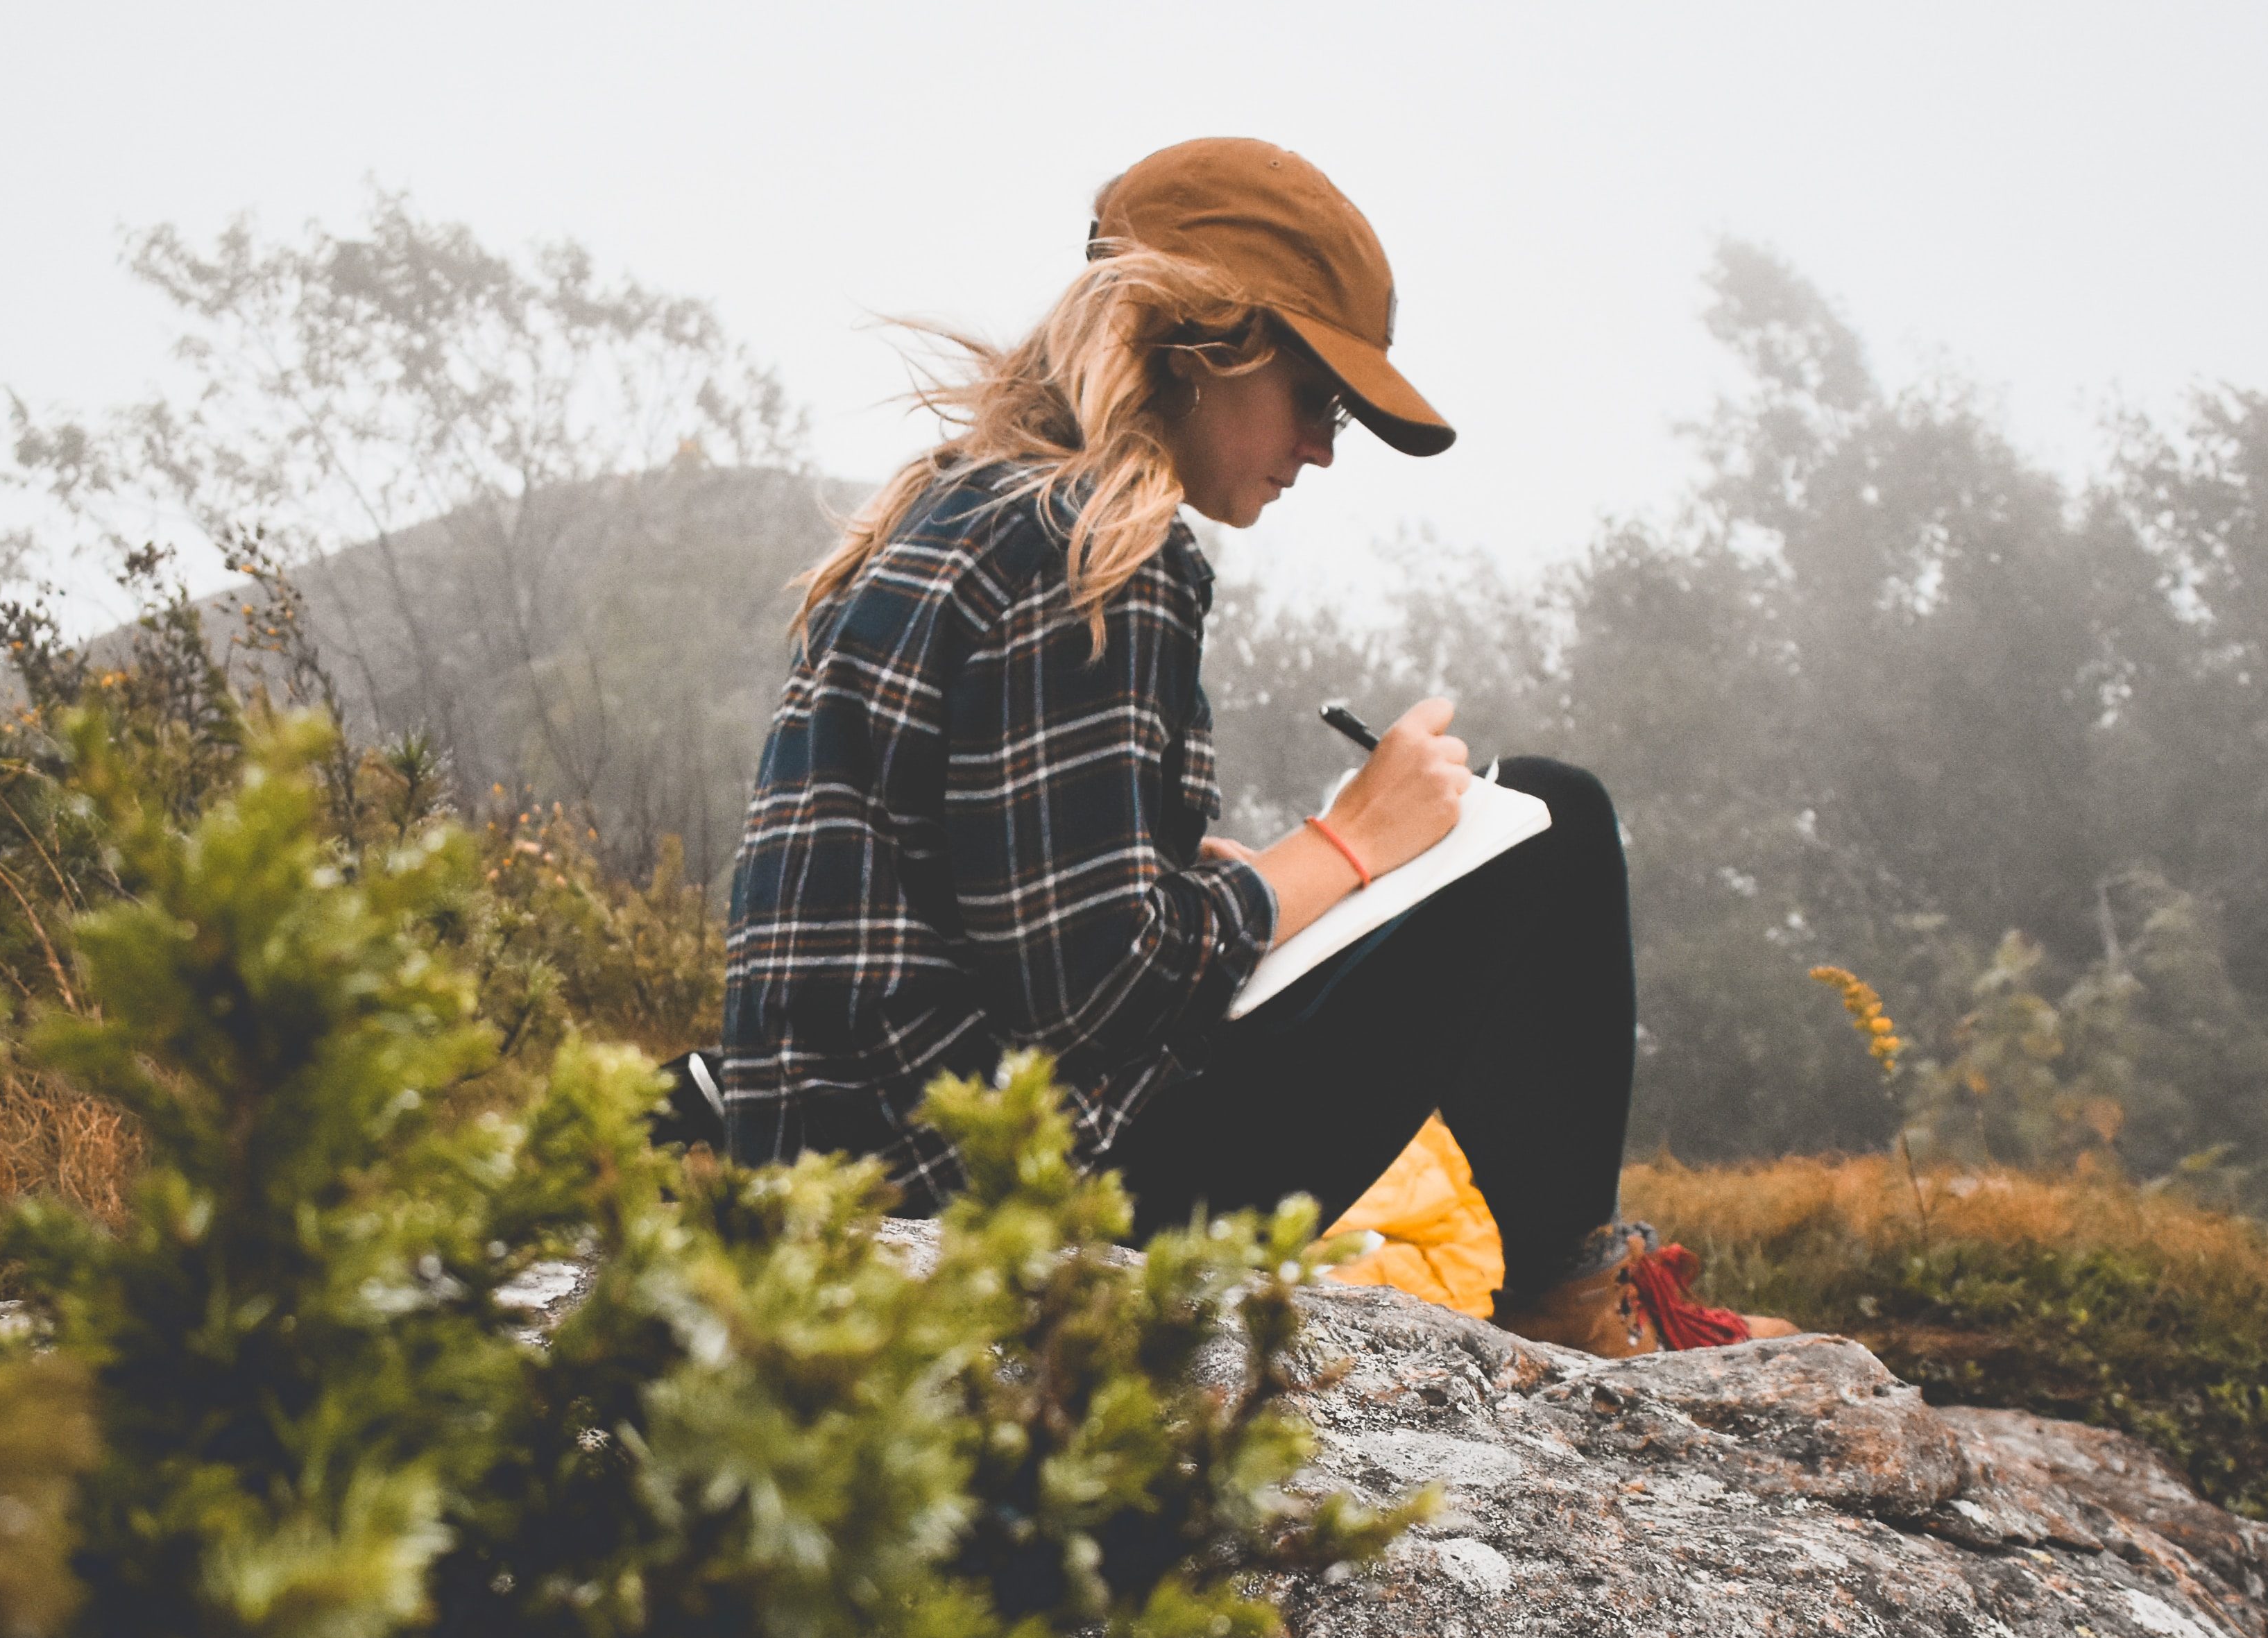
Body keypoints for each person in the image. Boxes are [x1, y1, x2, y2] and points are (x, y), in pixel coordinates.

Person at [719, 137, 1777, 1358]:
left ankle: (1568, 1292)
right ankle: (1569, 1302)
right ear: (1204, 341)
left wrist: (1226, 881)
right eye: (1317, 397)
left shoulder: (951, 513)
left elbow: (999, 926)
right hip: (1013, 1199)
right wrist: (1350, 843)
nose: (1326, 447)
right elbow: (1101, 987)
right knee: (1551, 821)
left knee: (1458, 850)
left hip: (861, 1174)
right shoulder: (1100, 548)